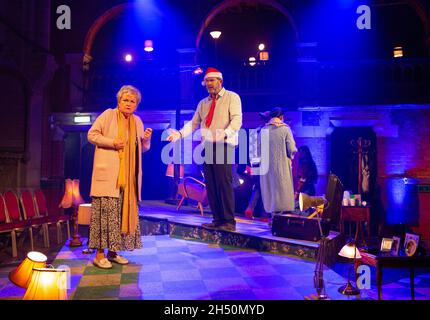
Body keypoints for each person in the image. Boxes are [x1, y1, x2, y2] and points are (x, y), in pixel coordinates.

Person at [167, 67, 242, 232]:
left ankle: (229, 221)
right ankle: (217, 219)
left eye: (211, 80)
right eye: (207, 81)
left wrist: (223, 134)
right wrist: (179, 134)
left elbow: (237, 120)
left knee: (224, 183)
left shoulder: (232, 97)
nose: (208, 84)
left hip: (224, 145)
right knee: (211, 183)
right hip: (207, 146)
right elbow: (194, 124)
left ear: (220, 81)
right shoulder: (203, 103)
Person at [87, 85, 152, 269]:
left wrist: (146, 139)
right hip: (108, 177)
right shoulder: (108, 115)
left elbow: (142, 149)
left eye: (133, 101)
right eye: (125, 100)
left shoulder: (137, 122)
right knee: (105, 217)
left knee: (120, 216)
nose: (129, 104)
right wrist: (112, 142)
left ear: (137, 104)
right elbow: (91, 135)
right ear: (119, 101)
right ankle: (99, 256)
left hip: (128, 180)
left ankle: (113, 253)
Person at [259, 107, 297, 224]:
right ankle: (282, 223)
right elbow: (291, 149)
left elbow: (258, 150)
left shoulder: (263, 130)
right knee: (282, 191)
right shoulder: (285, 129)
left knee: (271, 191)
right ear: (281, 117)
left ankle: (273, 220)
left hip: (267, 167)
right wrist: (291, 155)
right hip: (281, 167)